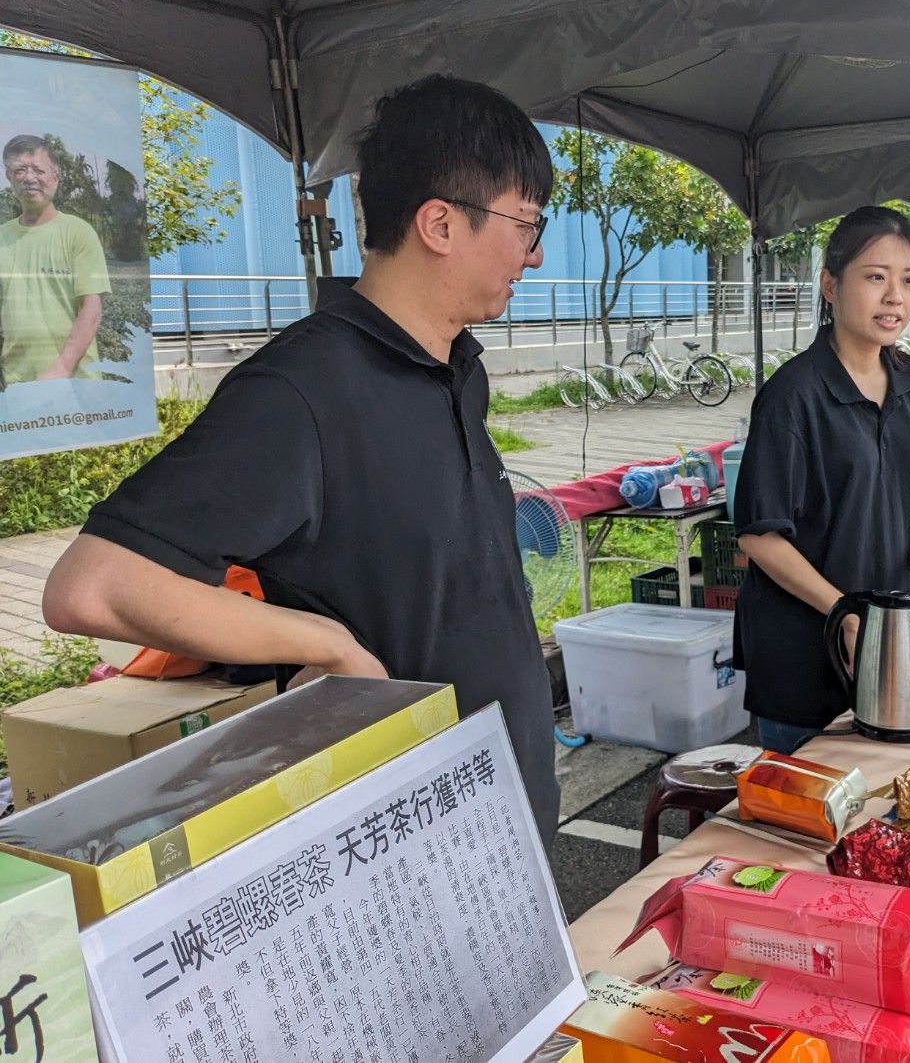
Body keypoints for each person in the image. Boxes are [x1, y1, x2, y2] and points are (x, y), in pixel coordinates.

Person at [41, 75, 563, 843]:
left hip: (504, 803)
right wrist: (323, 643)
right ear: (441, 224)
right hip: (402, 828)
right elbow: (94, 586)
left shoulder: (459, 368)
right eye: (525, 225)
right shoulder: (302, 391)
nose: (538, 255)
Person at [732, 207, 910, 754]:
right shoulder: (794, 396)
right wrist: (844, 611)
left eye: (908, 281)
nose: (895, 297)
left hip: (892, 642)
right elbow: (758, 536)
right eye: (875, 277)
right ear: (830, 285)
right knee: (806, 822)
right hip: (804, 651)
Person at [0, 135, 111, 384]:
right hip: (16, 383)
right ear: (9, 177)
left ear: (55, 177)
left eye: (38, 170)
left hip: (76, 384)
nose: (30, 178)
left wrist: (60, 370)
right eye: (20, 170)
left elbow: (91, 309)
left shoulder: (79, 232)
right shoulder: (2, 237)